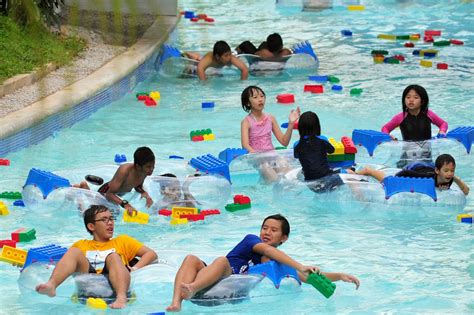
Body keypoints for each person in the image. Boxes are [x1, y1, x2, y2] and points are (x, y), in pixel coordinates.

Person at [166, 214, 360, 312]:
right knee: (196, 259)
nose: (266, 232)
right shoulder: (252, 241)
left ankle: (190, 289)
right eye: (264, 228)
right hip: (214, 278)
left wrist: (341, 276)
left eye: (273, 230)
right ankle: (178, 301)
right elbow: (268, 250)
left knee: (220, 262)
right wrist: (300, 265)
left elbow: (306, 276)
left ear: (284, 238)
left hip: (230, 293)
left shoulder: (276, 263)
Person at [35, 205, 158, 309]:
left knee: (113, 256)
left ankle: (122, 298)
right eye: (104, 220)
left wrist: (135, 268)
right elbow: (66, 264)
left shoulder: (122, 241)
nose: (110, 223)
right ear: (91, 226)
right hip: (88, 289)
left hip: (114, 289)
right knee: (73, 252)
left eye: (111, 219)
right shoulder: (81, 245)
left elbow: (151, 254)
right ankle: (52, 285)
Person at [240, 85, 300, 182]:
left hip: (271, 154)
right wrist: (259, 156)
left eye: (262, 96)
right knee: (273, 179)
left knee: (290, 175)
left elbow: (284, 142)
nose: (260, 100)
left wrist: (291, 124)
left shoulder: (270, 118)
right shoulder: (246, 122)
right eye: (255, 97)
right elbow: (245, 146)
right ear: (248, 103)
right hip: (257, 158)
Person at [381, 85, 448, 168]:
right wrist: (388, 136)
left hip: (426, 156)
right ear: (404, 100)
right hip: (407, 157)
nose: (411, 100)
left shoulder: (429, 114)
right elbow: (385, 128)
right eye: (408, 97)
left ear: (422, 101)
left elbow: (443, 124)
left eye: (415, 97)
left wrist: (442, 131)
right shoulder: (401, 117)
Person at [75, 147, 155, 216]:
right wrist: (126, 204)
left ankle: (84, 190)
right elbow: (109, 194)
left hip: (117, 196)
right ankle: (83, 189)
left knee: (111, 214)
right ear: (138, 166)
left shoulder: (144, 172)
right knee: (88, 214)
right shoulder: (124, 170)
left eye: (153, 166)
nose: (151, 169)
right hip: (105, 192)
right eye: (148, 167)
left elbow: (137, 185)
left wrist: (144, 193)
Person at [350, 154, 469, 195]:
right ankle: (367, 170)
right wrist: (395, 181)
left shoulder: (449, 178)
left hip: (425, 168)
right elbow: (407, 173)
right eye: (446, 170)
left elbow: (466, 191)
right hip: (415, 168)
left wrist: (456, 179)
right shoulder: (428, 178)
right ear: (438, 171)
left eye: (452, 171)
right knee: (386, 180)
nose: (449, 174)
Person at [294, 111, 345, 192]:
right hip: (328, 180)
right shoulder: (322, 139)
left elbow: (297, 156)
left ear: (300, 128)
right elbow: (332, 150)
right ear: (317, 126)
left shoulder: (296, 145)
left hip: (312, 185)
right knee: (349, 171)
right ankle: (362, 199)